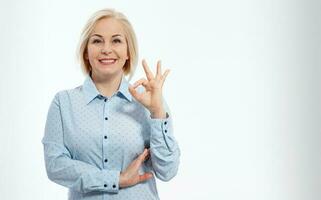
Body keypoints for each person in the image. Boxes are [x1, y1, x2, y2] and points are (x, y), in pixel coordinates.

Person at [41, 8, 180, 200]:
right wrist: (116, 179)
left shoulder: (149, 101)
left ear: (128, 52)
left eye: (116, 40)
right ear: (86, 52)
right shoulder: (63, 103)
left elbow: (168, 171)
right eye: (97, 40)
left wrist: (157, 112)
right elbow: (55, 165)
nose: (106, 49)